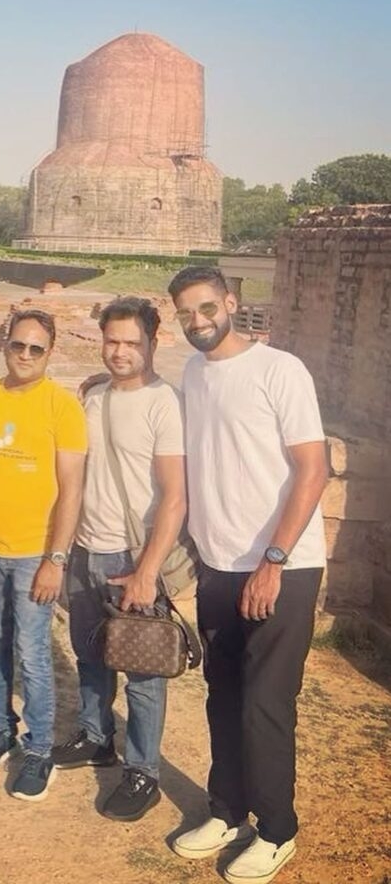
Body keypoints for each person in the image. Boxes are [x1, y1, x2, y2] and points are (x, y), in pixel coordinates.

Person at [167, 267, 328, 884]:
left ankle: (278, 830)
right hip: (220, 566)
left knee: (265, 704)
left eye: (207, 307)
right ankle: (228, 811)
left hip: (281, 566)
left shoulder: (279, 369)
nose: (198, 321)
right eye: (186, 313)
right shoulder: (193, 373)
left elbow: (313, 469)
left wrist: (274, 561)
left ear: (231, 303)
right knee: (223, 695)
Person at [52, 297, 186, 821]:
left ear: (153, 342)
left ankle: (143, 771)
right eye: (113, 341)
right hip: (87, 547)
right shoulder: (94, 397)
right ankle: (96, 735)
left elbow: (175, 496)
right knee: (88, 653)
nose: (121, 351)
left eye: (133, 342)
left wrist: (148, 571)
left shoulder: (163, 403)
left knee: (143, 672)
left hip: (132, 555)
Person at [0, 309, 87, 802]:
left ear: (50, 353)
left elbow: (71, 489)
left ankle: (39, 747)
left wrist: (56, 558)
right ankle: (0, 730)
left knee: (32, 652)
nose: (25, 355)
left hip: (35, 554)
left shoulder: (61, 406)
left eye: (36, 349)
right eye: (17, 346)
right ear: (4, 346)